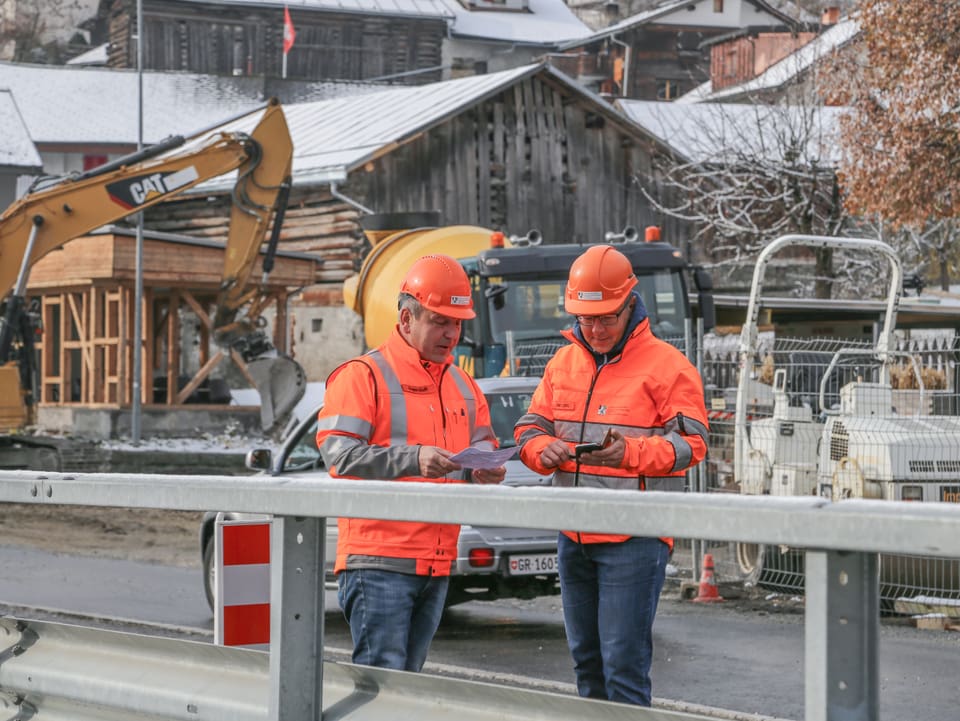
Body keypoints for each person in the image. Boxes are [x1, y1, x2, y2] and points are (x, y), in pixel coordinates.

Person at [513, 244, 709, 707]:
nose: (596, 329)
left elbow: (693, 445)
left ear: (630, 306)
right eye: (586, 319)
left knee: (622, 664)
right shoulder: (562, 364)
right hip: (573, 533)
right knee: (586, 661)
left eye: (606, 318)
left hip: (634, 537)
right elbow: (528, 429)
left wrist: (631, 454)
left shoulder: (668, 367)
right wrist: (543, 450)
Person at [316, 253, 506, 672]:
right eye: (439, 321)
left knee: (409, 685)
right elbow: (340, 455)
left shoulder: (463, 385)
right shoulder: (362, 376)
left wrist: (485, 470)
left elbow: (479, 452)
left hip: (437, 559)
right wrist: (414, 459)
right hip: (377, 559)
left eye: (457, 323)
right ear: (406, 318)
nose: (451, 333)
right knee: (383, 686)